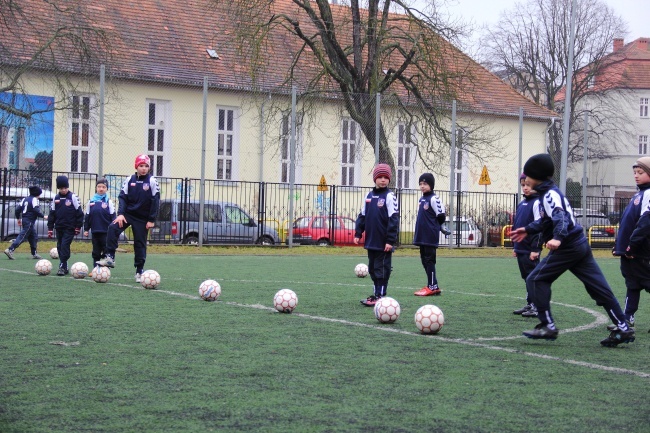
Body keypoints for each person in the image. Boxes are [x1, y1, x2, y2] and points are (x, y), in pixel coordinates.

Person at [510, 153, 635, 347]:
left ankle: (547, 325)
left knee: (536, 279)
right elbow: (546, 220)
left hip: (568, 246)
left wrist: (558, 239)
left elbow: (560, 218)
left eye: (527, 176)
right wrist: (527, 229)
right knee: (598, 287)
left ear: (536, 176)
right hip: (579, 244)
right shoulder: (548, 192)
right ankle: (623, 327)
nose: (525, 179)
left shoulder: (549, 194)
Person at [97, 154, 160, 283]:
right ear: (136, 166)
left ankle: (139, 270)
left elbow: (155, 201)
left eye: (146, 166)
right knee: (113, 228)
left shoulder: (152, 181)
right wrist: (120, 214)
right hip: (128, 215)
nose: (143, 168)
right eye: (141, 166)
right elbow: (122, 197)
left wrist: (151, 220)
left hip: (143, 218)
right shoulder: (129, 180)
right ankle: (110, 257)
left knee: (139, 244)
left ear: (149, 168)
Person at [612, 156, 650, 333]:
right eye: (634, 172)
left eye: (640, 173)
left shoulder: (649, 194)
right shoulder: (638, 194)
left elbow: (645, 223)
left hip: (640, 253)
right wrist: (619, 245)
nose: (636, 176)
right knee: (632, 285)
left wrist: (632, 246)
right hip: (629, 252)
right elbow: (627, 223)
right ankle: (627, 318)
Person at [353, 163, 399, 306]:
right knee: (372, 269)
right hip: (371, 240)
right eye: (380, 177)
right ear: (375, 179)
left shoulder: (390, 196)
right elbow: (363, 215)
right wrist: (358, 232)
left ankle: (381, 295)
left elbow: (394, 219)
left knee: (382, 269)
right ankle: (376, 294)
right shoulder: (369, 196)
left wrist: (390, 241)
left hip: (384, 242)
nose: (383, 180)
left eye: (386, 177)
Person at [511, 173, 542, 317]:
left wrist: (536, 249)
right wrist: (515, 246)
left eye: (528, 185)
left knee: (533, 276)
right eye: (523, 185)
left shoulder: (537, 203)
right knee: (526, 277)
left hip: (530, 249)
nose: (525, 188)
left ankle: (538, 306)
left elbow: (539, 227)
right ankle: (531, 303)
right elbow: (517, 226)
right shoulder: (522, 204)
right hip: (521, 248)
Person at [412, 173, 446, 296]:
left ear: (431, 185)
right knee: (424, 260)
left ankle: (432, 286)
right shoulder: (422, 199)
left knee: (429, 260)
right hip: (421, 234)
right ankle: (433, 284)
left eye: (425, 184)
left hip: (430, 234)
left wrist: (438, 226)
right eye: (420, 184)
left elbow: (441, 215)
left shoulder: (434, 198)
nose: (422, 186)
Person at [47, 176, 84, 276]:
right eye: (61, 188)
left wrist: (78, 226)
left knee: (64, 245)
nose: (63, 190)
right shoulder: (56, 198)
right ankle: (65, 264)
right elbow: (52, 214)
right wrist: (50, 228)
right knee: (59, 246)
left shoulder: (73, 197)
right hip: (59, 227)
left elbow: (79, 213)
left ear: (68, 187)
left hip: (70, 227)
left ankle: (62, 266)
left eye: (65, 188)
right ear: (58, 188)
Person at [83, 177, 116, 275]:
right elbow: (88, 216)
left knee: (106, 251)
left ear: (106, 189)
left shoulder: (108, 202)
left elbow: (113, 217)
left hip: (106, 232)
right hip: (95, 231)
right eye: (99, 187)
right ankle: (95, 269)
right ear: (96, 188)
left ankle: (106, 270)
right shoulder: (91, 202)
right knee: (96, 252)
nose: (101, 189)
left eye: (103, 187)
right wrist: (86, 229)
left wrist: (114, 230)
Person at [4, 186, 47, 260]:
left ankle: (34, 253)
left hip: (25, 220)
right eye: (39, 194)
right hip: (29, 221)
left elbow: (17, 210)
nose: (39, 196)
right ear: (37, 193)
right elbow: (36, 210)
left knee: (34, 237)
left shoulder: (24, 199)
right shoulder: (35, 199)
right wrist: (43, 216)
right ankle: (10, 249)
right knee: (23, 236)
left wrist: (18, 218)